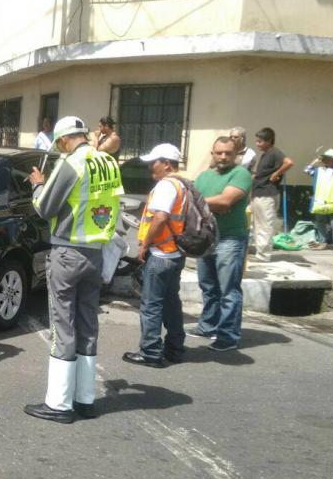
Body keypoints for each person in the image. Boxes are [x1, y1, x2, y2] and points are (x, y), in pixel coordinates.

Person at [23, 116, 124, 423]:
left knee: (62, 326)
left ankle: (58, 404)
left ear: (65, 139)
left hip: (68, 252)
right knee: (87, 324)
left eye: (59, 144)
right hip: (96, 255)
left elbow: (44, 208)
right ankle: (85, 398)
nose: (60, 148)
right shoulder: (108, 162)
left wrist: (38, 185)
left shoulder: (71, 164)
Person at [123, 143, 187, 368]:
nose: (151, 166)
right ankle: (175, 348)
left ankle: (150, 352)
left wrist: (144, 245)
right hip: (175, 254)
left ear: (167, 164)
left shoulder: (166, 186)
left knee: (151, 305)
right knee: (171, 303)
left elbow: (160, 218)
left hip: (161, 253)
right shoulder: (182, 185)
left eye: (155, 162)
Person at [192, 137, 252, 352]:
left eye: (228, 153)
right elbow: (207, 204)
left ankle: (227, 336)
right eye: (219, 153)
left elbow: (226, 201)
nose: (224, 157)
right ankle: (208, 326)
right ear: (213, 153)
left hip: (230, 238)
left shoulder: (241, 174)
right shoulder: (204, 176)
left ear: (236, 154)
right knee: (208, 287)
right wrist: (211, 203)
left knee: (228, 290)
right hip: (206, 238)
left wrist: (200, 201)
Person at [250, 127, 293, 262]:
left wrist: (276, 174)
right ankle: (259, 251)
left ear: (269, 141)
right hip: (258, 193)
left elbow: (289, 162)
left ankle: (263, 256)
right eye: (257, 141)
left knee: (265, 225)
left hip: (267, 194)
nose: (257, 144)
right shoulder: (265, 154)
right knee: (256, 224)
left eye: (260, 142)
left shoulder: (275, 153)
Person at [304, 149, 333, 252]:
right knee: (320, 222)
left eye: (329, 159)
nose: (327, 161)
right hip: (320, 202)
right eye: (325, 158)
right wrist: (316, 160)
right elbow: (307, 170)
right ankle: (322, 242)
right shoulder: (318, 171)